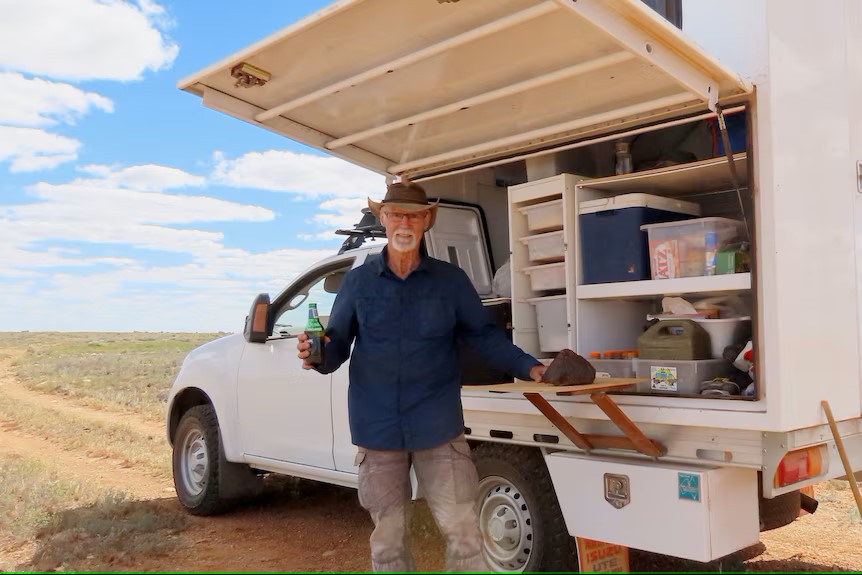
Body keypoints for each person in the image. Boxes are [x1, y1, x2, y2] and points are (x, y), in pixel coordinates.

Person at [297, 178, 546, 572]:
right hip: (378, 430)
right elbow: (337, 344)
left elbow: (483, 335)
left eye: (414, 216)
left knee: (465, 531)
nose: (404, 224)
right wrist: (317, 354)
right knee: (389, 541)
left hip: (438, 427)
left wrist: (529, 366)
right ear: (382, 218)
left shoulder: (451, 282)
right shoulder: (359, 282)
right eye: (395, 214)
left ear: (426, 222)